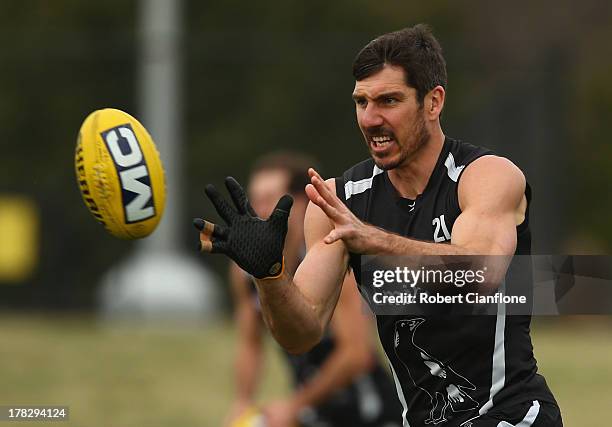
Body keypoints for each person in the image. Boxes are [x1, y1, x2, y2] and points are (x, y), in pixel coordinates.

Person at [194, 25, 563, 426]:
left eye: (389, 101)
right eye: (361, 102)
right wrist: (270, 276)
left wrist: (373, 239)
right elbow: (300, 334)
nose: (370, 119)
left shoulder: (485, 177)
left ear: (433, 102)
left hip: (510, 416)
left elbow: (481, 273)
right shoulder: (339, 201)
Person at [220, 152, 402, 427]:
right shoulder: (246, 272)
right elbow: (250, 343)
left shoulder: (331, 260)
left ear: (301, 203)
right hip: (311, 409)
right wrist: (242, 401)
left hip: (368, 412)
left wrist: (294, 406)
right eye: (254, 200)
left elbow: (356, 355)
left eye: (270, 199)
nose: (259, 210)